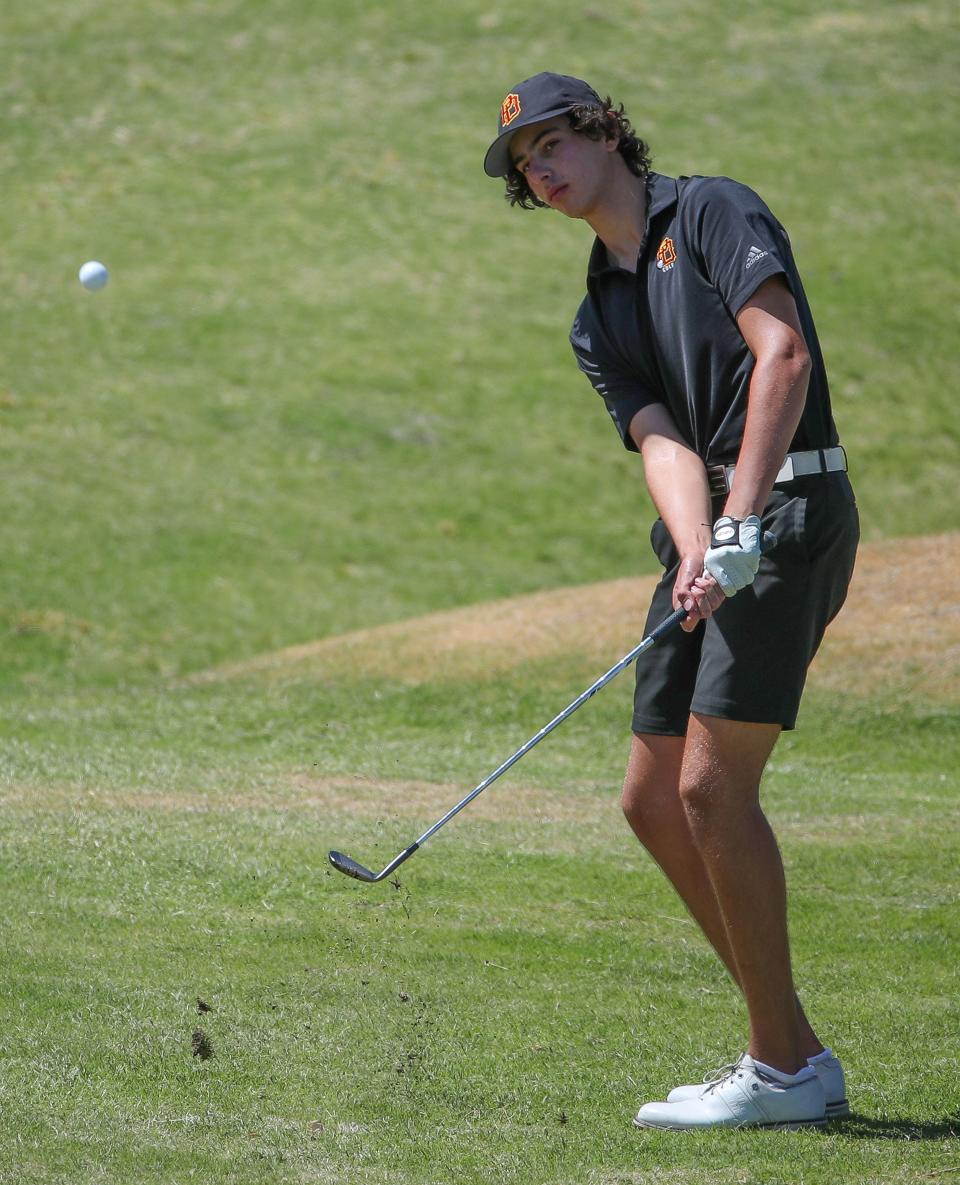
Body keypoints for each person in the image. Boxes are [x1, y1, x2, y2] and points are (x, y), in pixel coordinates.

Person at [483, 73, 859, 1131]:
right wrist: (699, 548)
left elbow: (782, 354)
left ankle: (779, 1068)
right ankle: (794, 1055)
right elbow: (662, 439)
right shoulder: (596, 311)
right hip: (722, 534)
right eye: (525, 164)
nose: (542, 169)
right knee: (652, 800)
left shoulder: (710, 211)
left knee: (709, 788)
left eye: (554, 143)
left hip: (789, 509)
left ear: (605, 129)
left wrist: (740, 526)